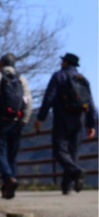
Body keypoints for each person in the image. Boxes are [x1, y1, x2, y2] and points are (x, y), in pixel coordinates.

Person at [34, 53, 97, 194]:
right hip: (79, 119)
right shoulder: (83, 80)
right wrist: (91, 124)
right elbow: (90, 104)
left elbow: (49, 97)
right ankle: (67, 186)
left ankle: (75, 172)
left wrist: (40, 118)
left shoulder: (59, 76)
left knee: (59, 150)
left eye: (62, 61)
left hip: (62, 118)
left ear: (65, 62)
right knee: (73, 150)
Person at [0, 53, 33, 199]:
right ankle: (9, 187)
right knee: (12, 155)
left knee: (0, 152)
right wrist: (24, 119)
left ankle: (8, 179)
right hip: (16, 121)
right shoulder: (21, 78)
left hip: (1, 120)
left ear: (1, 62)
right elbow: (28, 101)